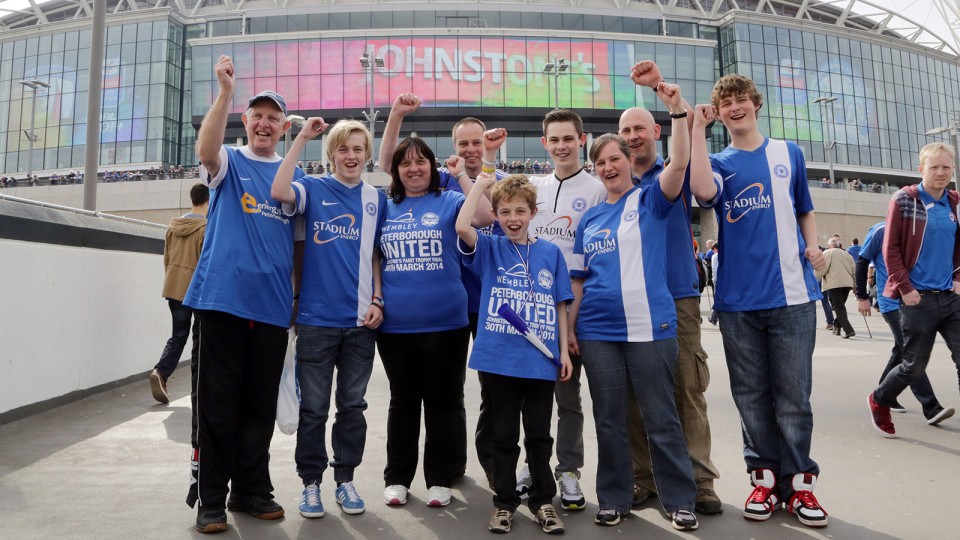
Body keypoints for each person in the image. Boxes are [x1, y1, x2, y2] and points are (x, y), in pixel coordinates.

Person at [689, 74, 829, 528]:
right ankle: (764, 479)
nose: (734, 107)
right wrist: (696, 128)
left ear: (755, 103)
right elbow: (704, 194)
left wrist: (813, 248)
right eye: (725, 102)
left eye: (741, 99)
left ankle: (800, 486)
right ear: (720, 112)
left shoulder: (788, 152)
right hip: (737, 300)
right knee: (751, 395)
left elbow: (804, 208)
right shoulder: (716, 161)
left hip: (792, 296)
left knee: (793, 397)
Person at [186, 55, 299, 534]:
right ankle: (210, 500)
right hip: (221, 303)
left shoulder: (291, 180)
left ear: (283, 128)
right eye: (258, 116)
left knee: (257, 408)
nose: (265, 124)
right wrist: (226, 93)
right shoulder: (230, 162)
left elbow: (300, 251)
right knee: (217, 405)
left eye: (274, 118)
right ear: (247, 122)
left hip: (272, 311)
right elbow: (206, 150)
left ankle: (251, 490)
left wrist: (296, 302)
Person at [571, 128, 700, 532]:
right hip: (596, 332)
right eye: (600, 163)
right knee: (609, 419)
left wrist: (678, 112)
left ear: (630, 160)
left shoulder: (651, 199)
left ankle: (679, 499)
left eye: (614, 159)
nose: (608, 167)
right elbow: (577, 280)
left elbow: (679, 162)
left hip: (650, 327)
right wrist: (569, 331)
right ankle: (613, 498)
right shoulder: (589, 217)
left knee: (661, 416)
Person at [377, 95, 507, 481]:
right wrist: (397, 114)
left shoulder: (478, 179)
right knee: (414, 399)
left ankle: (464, 467)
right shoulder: (436, 179)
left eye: (477, 143)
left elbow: (486, 215)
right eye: (464, 143)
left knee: (465, 395)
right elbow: (391, 162)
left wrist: (483, 166)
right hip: (430, 309)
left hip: (480, 301)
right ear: (453, 148)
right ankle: (409, 473)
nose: (470, 149)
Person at [271, 117, 387, 518]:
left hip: (360, 324)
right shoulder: (313, 188)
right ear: (331, 154)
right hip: (316, 322)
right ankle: (310, 485)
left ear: (367, 154)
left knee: (352, 407)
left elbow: (375, 254)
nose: (350, 156)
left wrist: (378, 298)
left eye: (358, 149)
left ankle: (346, 480)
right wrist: (302, 136)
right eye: (342, 148)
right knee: (314, 409)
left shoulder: (377, 198)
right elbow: (278, 190)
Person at [623, 60, 722, 515]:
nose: (633, 136)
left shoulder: (674, 170)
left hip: (678, 296)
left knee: (687, 389)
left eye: (641, 128)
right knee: (637, 395)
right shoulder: (614, 182)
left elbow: (689, 161)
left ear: (657, 133)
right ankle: (643, 476)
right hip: (630, 301)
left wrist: (671, 100)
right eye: (626, 131)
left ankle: (700, 480)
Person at [455, 173, 573, 535]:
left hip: (540, 361)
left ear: (533, 212)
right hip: (498, 360)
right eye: (504, 211)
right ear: (495, 214)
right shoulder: (490, 247)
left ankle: (541, 501)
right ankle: (504, 502)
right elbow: (462, 225)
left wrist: (564, 350)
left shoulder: (550, 253)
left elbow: (560, 305)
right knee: (503, 435)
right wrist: (480, 182)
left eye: (520, 210)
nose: (512, 218)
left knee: (539, 435)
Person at [502, 108, 606, 511]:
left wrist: (572, 327)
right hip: (530, 317)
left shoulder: (597, 190)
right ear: (544, 143)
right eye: (554, 139)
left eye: (569, 138)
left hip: (576, 313)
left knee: (568, 400)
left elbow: (587, 266)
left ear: (581, 140)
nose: (561, 146)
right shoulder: (533, 187)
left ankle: (568, 470)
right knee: (533, 400)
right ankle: (534, 466)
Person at [869, 142, 960, 438]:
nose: (941, 172)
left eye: (946, 167)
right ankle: (879, 399)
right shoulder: (904, 200)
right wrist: (905, 287)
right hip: (917, 298)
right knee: (913, 367)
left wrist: (958, 276)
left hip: (950, 295)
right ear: (921, 169)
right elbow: (890, 248)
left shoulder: (955, 202)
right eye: (934, 167)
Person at [856, 220, 955, 424]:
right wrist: (862, 296)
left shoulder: (922, 230)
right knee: (912, 354)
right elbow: (862, 261)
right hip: (892, 302)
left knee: (901, 351)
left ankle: (882, 396)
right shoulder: (880, 231)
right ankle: (931, 407)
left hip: (918, 301)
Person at [150, 183, 209, 405]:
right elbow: (206, 265)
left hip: (174, 288)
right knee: (201, 340)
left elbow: (166, 258)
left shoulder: (173, 226)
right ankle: (201, 388)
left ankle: (161, 372)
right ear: (208, 200)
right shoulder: (205, 228)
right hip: (197, 292)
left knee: (178, 336)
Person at [816, 238, 856, 338]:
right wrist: (855, 286)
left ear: (829, 245)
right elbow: (854, 270)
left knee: (838, 307)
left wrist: (814, 280)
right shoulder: (847, 254)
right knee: (840, 307)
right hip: (847, 284)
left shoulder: (828, 252)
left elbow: (821, 268)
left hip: (834, 284)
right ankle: (837, 326)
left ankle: (848, 330)